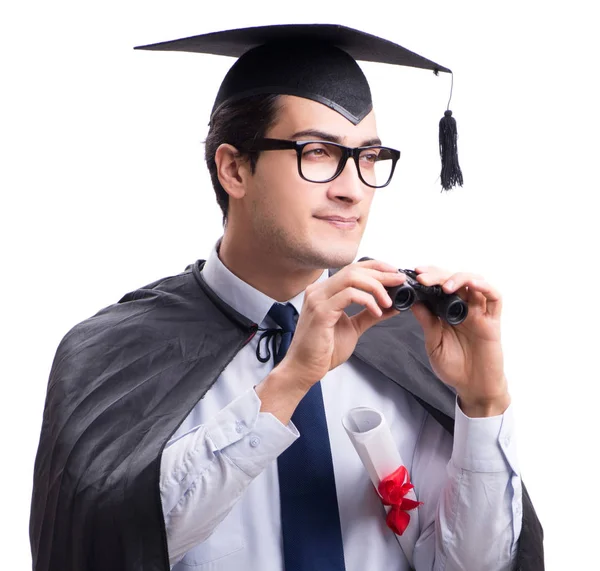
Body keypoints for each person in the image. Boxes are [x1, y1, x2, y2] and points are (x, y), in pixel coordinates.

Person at [30, 24, 544, 571]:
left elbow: (471, 566)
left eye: (369, 157)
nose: (352, 187)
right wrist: (287, 385)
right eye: (319, 152)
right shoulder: (116, 350)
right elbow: (102, 549)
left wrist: (483, 408)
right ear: (234, 169)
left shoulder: (409, 341)